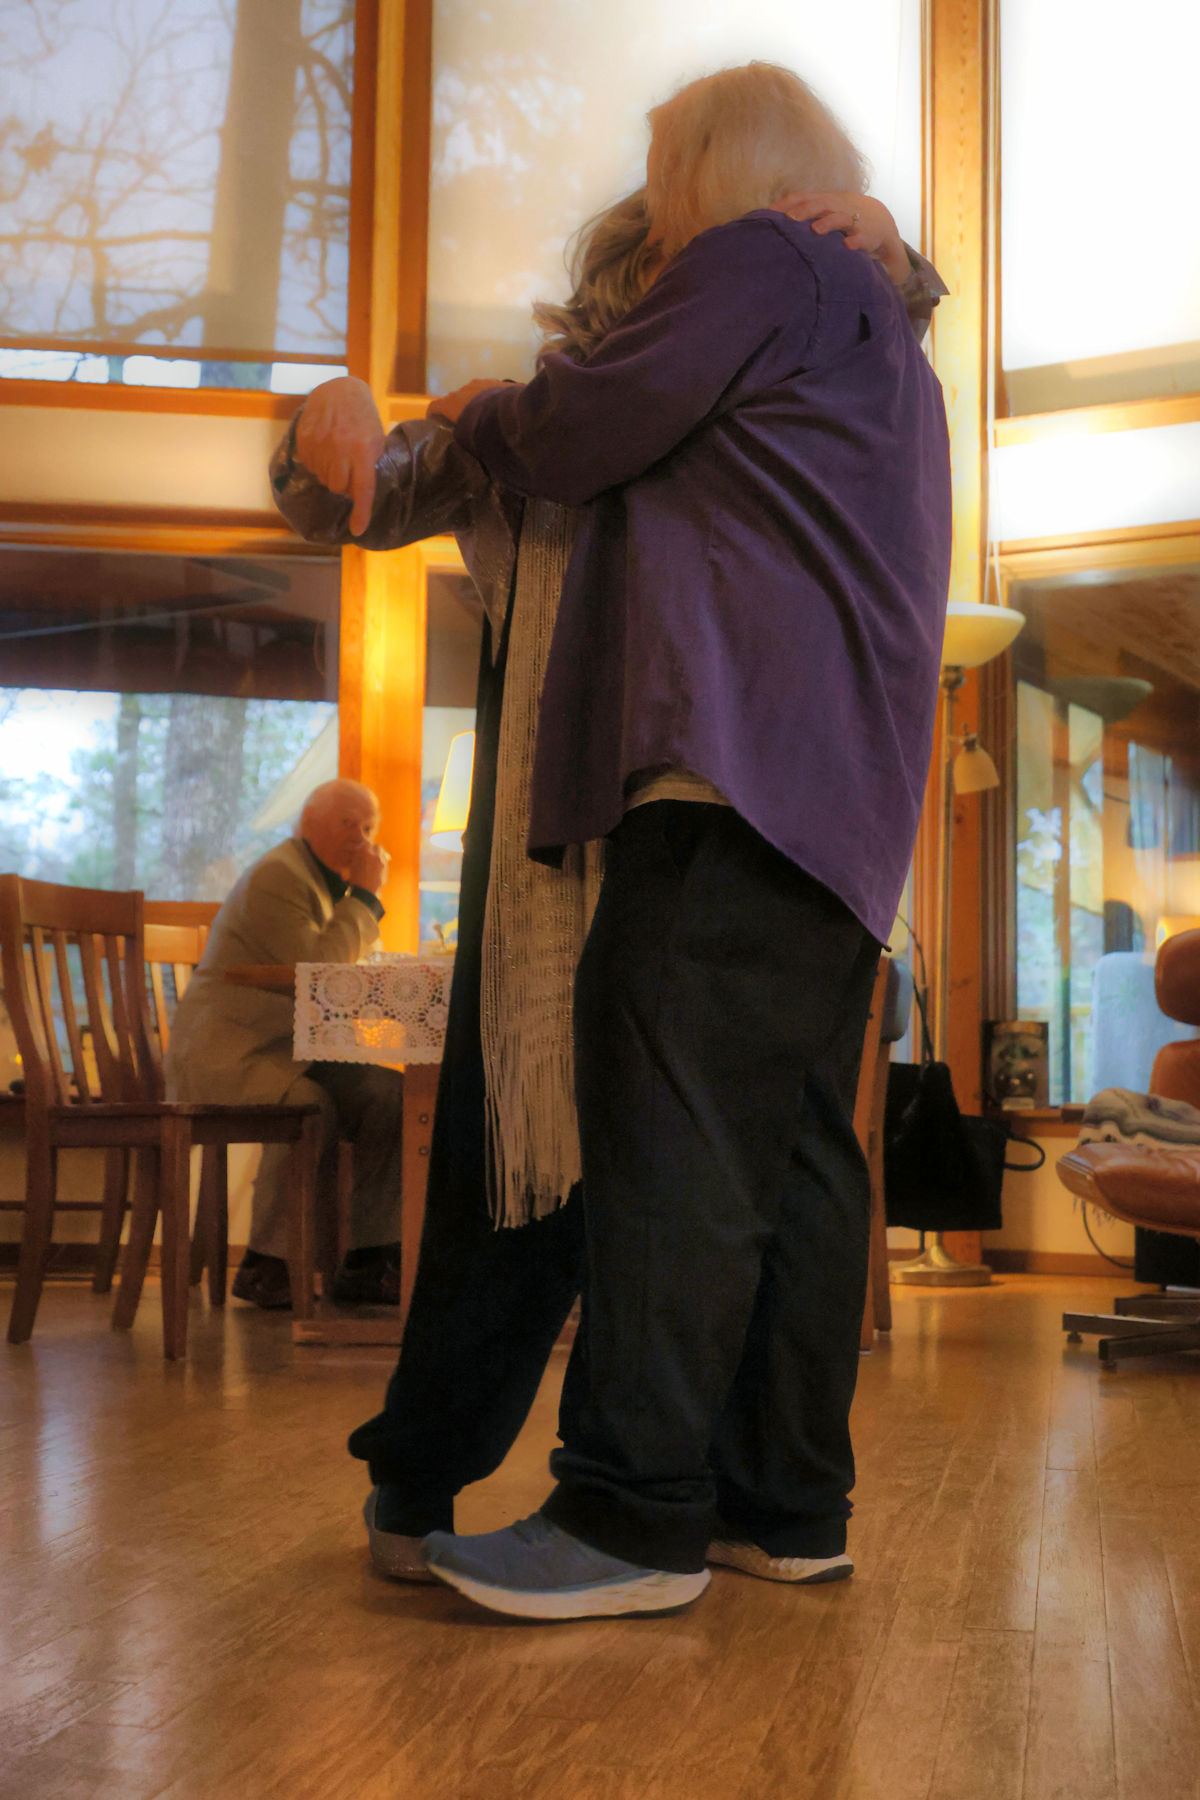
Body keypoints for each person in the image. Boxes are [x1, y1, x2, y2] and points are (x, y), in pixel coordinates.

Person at [272, 161, 945, 1587]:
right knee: (521, 1171)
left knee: (768, 1166)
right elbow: (355, 497)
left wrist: (902, 254)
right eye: (661, 292)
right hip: (558, 846)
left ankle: (752, 1503)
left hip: (729, 812)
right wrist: (322, 414)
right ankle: (433, 1477)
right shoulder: (550, 418)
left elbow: (877, 326)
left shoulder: (775, 411)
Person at [165, 778, 405, 1308]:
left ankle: (370, 1259)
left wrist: (357, 901)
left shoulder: (324, 886)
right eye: (348, 823)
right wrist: (368, 897)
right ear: (307, 824)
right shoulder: (280, 876)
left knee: (387, 1095)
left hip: (283, 1052)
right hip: (229, 1055)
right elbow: (319, 974)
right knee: (313, 1104)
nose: (360, 838)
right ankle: (267, 1264)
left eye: (369, 827)